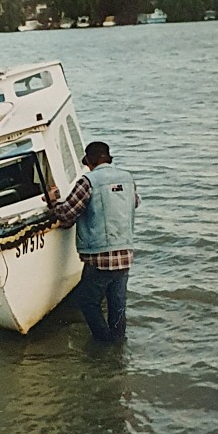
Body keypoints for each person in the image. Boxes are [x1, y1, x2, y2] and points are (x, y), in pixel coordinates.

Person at [49, 141, 139, 342]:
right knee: (117, 304)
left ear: (89, 160)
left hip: (100, 255)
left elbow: (67, 213)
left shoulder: (88, 181)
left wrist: (53, 202)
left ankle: (103, 340)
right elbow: (135, 202)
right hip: (124, 252)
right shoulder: (127, 178)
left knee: (87, 302)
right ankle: (117, 342)